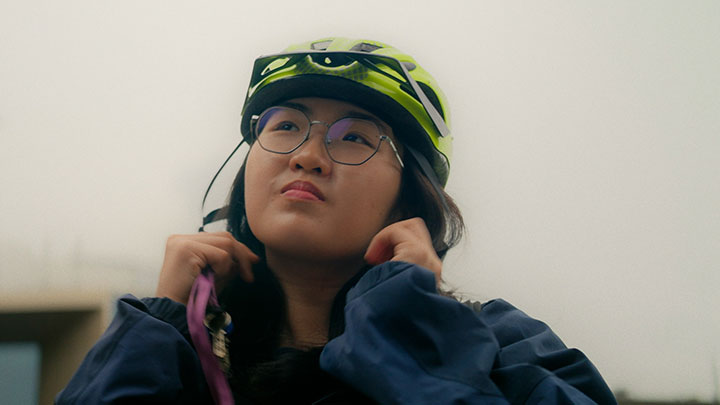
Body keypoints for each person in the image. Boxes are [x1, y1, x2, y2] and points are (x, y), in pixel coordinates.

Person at [56, 37, 617, 404]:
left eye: (354, 137)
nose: (307, 155)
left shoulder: (506, 344)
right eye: (283, 126)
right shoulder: (176, 356)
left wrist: (409, 328)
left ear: (408, 201)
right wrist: (163, 323)